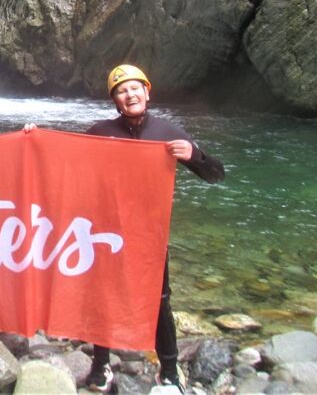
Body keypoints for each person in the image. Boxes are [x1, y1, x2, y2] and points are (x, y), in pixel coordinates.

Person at [84, 64, 225, 394]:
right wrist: (32, 138)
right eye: (121, 90)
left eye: (135, 88)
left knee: (160, 300)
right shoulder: (100, 132)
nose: (129, 94)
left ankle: (169, 371)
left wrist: (194, 154)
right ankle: (99, 365)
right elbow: (62, 162)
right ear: (114, 99)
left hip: (150, 233)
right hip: (108, 230)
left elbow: (216, 174)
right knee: (103, 297)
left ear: (147, 92)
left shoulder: (168, 131)